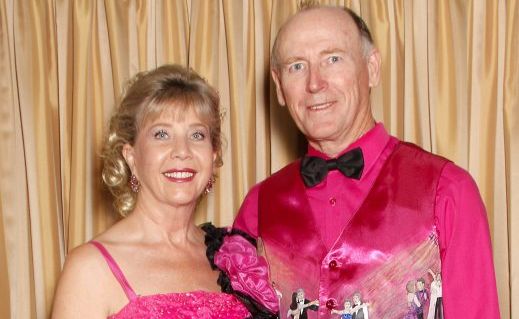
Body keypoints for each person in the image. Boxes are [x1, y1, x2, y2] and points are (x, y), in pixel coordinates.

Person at [233, 3, 500, 319]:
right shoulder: (258, 206)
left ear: (372, 68)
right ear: (279, 87)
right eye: (296, 66)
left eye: (333, 59)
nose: (314, 84)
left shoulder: (448, 189)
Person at [52, 64, 279, 318]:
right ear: (131, 157)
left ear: (213, 156)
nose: (182, 150)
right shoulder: (90, 269)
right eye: (161, 134)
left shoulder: (237, 257)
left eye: (196, 135)